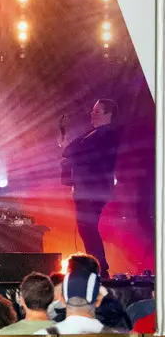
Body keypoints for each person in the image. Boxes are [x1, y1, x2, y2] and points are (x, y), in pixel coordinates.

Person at [59, 99, 120, 277]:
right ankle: (97, 268)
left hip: (94, 190)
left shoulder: (107, 134)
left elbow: (85, 154)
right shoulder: (91, 134)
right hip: (86, 189)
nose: (92, 114)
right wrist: (67, 158)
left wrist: (69, 153)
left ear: (108, 114)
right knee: (86, 228)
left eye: (97, 111)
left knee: (88, 227)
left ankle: (100, 269)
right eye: (92, 111)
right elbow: (71, 151)